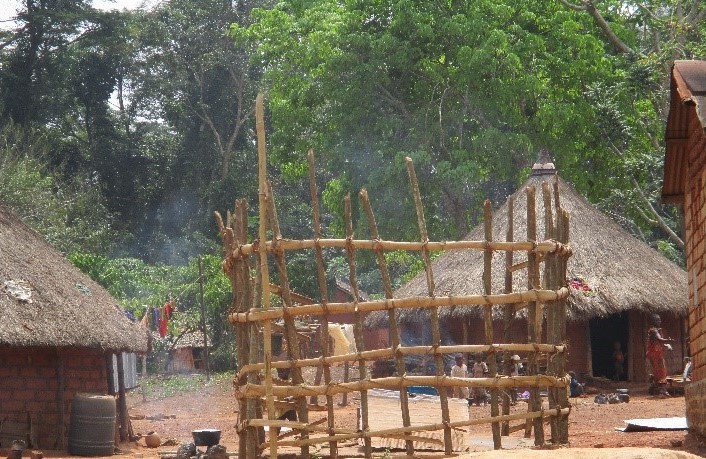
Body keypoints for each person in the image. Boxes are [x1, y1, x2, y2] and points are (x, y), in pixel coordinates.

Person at [646, 314, 674, 397]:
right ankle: (663, 390)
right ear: (653, 321)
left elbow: (659, 342)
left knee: (658, 371)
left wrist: (666, 345)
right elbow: (659, 339)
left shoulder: (656, 330)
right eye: (657, 320)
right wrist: (668, 340)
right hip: (654, 354)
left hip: (656, 353)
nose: (660, 321)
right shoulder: (653, 330)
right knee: (662, 371)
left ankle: (656, 387)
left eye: (660, 319)